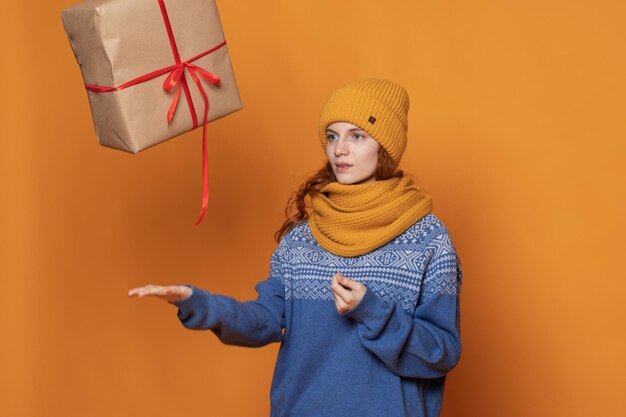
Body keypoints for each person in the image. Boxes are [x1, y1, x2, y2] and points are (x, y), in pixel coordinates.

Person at [128, 79, 463, 417]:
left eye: (356, 136)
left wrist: (371, 311)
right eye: (332, 136)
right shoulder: (302, 240)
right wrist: (198, 302)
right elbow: (265, 321)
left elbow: (442, 352)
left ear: (385, 146)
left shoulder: (427, 239)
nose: (339, 150)